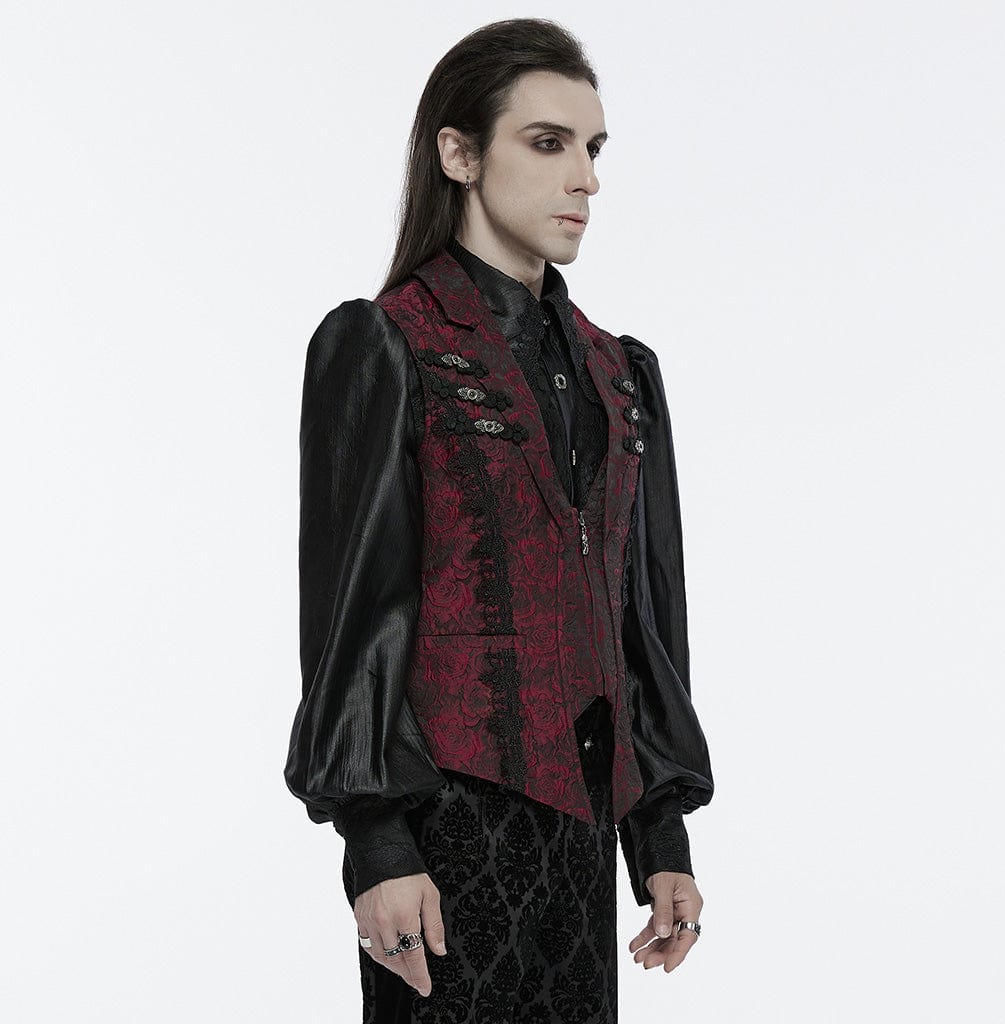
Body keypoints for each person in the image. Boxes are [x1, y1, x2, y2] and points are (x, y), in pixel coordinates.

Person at [284, 17, 714, 1022]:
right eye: (547, 142)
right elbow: (355, 618)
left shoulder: (620, 372)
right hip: (444, 831)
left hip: (583, 834)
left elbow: (639, 619)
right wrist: (376, 843)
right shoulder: (384, 344)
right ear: (459, 153)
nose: (585, 180)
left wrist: (660, 835)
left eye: (593, 148)